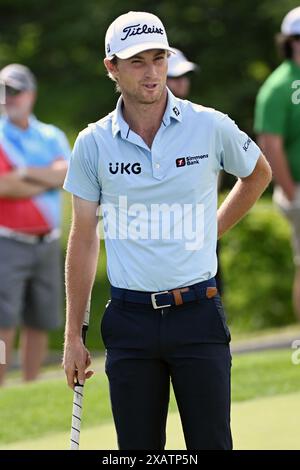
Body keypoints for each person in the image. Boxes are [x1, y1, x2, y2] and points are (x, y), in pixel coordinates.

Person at [63, 11, 272, 450]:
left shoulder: (209, 125)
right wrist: (72, 336)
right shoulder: (93, 142)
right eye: (138, 61)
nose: (152, 71)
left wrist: (212, 228)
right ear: (112, 68)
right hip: (129, 321)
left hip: (198, 313)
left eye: (159, 58)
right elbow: (83, 237)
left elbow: (257, 174)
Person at [0, 64, 70, 385]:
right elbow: (6, 186)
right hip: (8, 241)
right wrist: (47, 176)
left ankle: (29, 386)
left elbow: (66, 173)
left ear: (31, 94)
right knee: (3, 323)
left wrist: (25, 172)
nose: (9, 98)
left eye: (15, 91)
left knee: (40, 320)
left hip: (47, 241)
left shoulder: (51, 134)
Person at [254, 7, 300, 321]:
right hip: (297, 188)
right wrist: (292, 193)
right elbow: (270, 145)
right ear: (290, 42)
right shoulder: (278, 86)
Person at [167, 49, 223, 295]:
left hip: (202, 219)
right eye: (175, 77)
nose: (182, 83)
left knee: (213, 290)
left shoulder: (202, 120)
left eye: (185, 77)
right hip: (167, 228)